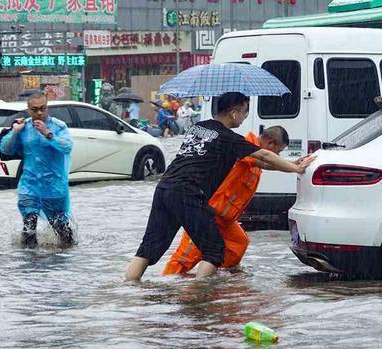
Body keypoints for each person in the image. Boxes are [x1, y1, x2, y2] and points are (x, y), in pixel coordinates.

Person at [125, 92, 314, 282]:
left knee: (149, 247)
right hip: (188, 194)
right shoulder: (229, 139)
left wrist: (290, 164)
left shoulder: (197, 128)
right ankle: (201, 294)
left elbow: (259, 162)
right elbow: (263, 156)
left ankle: (129, 290)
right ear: (233, 112)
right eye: (244, 112)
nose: (244, 118)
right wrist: (296, 168)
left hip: (164, 188)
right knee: (214, 249)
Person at [163, 126, 309, 275]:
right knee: (184, 258)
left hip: (224, 217)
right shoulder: (245, 146)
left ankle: (214, 277)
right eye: (278, 152)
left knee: (238, 243)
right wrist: (294, 168)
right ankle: (166, 287)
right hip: (207, 213)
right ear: (271, 143)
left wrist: (293, 163)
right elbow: (265, 160)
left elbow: (266, 163)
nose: (278, 156)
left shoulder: (254, 155)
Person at [0, 93, 75, 248]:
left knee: (62, 229)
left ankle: (66, 258)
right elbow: (6, 149)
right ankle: (29, 263)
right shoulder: (24, 127)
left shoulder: (58, 127)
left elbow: (67, 146)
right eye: (35, 110)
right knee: (29, 226)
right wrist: (15, 131)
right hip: (29, 185)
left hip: (54, 186)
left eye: (43, 109)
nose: (39, 113)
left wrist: (48, 134)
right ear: (28, 110)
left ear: (47, 108)